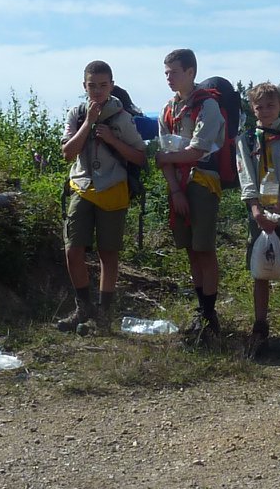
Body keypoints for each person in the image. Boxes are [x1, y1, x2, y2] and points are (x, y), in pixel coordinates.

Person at [57, 61, 147, 333]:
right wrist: (88, 123)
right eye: (92, 85)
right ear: (84, 86)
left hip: (113, 189)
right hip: (82, 186)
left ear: (112, 85)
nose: (97, 91)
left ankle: (103, 316)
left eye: (103, 85)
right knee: (73, 249)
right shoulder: (77, 113)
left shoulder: (122, 117)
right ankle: (82, 308)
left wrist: (112, 140)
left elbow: (141, 157)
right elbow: (68, 153)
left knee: (108, 254)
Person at [156, 49, 225, 344]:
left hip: (203, 182)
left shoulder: (207, 105)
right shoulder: (168, 109)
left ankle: (211, 316)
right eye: (166, 73)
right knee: (190, 250)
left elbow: (197, 151)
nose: (168, 78)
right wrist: (173, 190)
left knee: (204, 248)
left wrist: (167, 158)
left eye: (174, 72)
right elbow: (164, 158)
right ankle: (202, 310)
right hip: (180, 186)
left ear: (191, 72)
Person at [235, 81, 280, 356]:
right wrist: (256, 211)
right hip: (258, 212)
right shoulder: (246, 140)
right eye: (259, 106)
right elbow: (246, 177)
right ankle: (260, 328)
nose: (265, 111)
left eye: (270, 105)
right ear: (252, 109)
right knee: (260, 272)